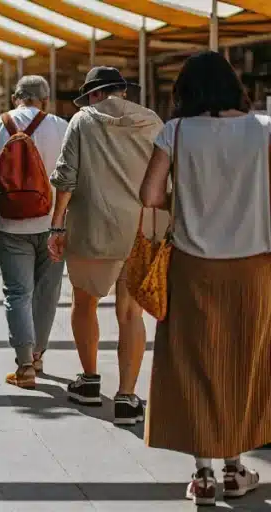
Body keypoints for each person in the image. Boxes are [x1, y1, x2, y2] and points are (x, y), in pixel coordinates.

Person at [138, 51, 269, 506]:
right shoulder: (264, 129)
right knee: (243, 363)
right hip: (254, 265)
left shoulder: (175, 131)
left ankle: (204, 476)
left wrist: (192, 191)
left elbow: (150, 195)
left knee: (195, 363)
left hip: (192, 265)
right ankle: (235, 468)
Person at [47, 67, 164, 426]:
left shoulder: (83, 121)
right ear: (122, 92)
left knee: (84, 300)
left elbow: (66, 175)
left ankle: (90, 381)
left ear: (94, 94)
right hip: (141, 229)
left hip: (93, 226)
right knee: (131, 313)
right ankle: (127, 397)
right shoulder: (154, 122)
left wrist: (56, 225)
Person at [0, 76, 69, 389]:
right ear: (46, 99)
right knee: (47, 292)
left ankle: (24, 365)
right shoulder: (61, 126)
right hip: (55, 225)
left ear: (16, 98)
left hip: (10, 223)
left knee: (17, 293)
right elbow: (75, 178)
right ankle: (39, 354)